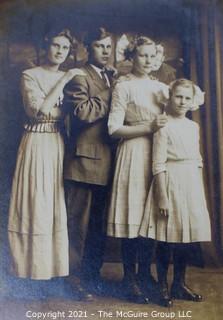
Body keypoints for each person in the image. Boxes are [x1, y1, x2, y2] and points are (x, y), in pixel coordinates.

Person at [7, 29, 85, 295]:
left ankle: (54, 270)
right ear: (46, 46)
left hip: (58, 143)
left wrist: (57, 96)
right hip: (36, 142)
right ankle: (30, 271)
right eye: (55, 45)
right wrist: (64, 79)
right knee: (36, 200)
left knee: (55, 203)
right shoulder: (30, 75)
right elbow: (38, 111)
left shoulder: (72, 77)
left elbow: (65, 113)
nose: (60, 51)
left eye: (65, 47)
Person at [107, 36, 168, 303]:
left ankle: (145, 274)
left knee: (151, 217)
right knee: (132, 214)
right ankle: (129, 279)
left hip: (158, 154)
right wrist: (148, 128)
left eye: (151, 55)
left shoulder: (162, 87)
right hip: (132, 152)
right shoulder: (124, 86)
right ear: (132, 57)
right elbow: (113, 129)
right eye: (142, 55)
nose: (147, 60)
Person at [140, 79, 211, 307]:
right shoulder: (164, 126)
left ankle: (178, 284)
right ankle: (162, 286)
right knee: (166, 238)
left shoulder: (193, 127)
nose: (182, 102)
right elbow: (158, 163)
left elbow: (197, 160)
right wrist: (162, 196)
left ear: (193, 101)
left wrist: (197, 192)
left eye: (187, 98)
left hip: (190, 184)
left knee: (186, 238)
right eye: (178, 97)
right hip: (170, 182)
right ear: (169, 98)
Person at [63, 27, 115, 300]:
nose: (106, 51)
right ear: (87, 49)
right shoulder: (79, 76)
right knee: (78, 227)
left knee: (99, 226)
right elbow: (83, 113)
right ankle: (74, 280)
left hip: (109, 163)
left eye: (109, 46)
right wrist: (111, 91)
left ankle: (92, 279)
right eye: (100, 46)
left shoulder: (113, 76)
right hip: (83, 164)